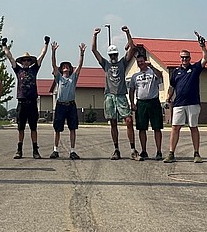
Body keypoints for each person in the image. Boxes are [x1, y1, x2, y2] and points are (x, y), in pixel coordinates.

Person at [91, 25, 138, 159]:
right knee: (113, 123)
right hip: (109, 96)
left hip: (121, 95)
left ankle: (133, 149)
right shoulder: (105, 64)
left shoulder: (122, 63)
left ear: (117, 55)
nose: (113, 56)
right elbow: (94, 50)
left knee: (128, 120)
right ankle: (116, 149)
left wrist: (128, 33)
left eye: (115, 54)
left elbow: (132, 48)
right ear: (109, 55)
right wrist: (95, 35)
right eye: (111, 54)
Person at [2, 35, 49, 159]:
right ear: (21, 62)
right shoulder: (18, 70)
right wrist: (4, 46)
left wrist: (46, 44)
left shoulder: (34, 69)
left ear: (30, 61)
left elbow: (42, 56)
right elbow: (10, 57)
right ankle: (19, 150)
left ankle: (35, 150)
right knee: (21, 128)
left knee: (34, 128)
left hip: (32, 102)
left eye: (28, 60)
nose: (26, 62)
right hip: (22, 102)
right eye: (24, 60)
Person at [165, 31, 207, 163]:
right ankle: (171, 153)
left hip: (193, 103)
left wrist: (202, 46)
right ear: (180, 59)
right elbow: (171, 87)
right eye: (182, 57)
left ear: (190, 58)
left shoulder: (195, 68)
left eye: (186, 57)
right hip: (179, 104)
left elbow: (205, 59)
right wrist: (168, 98)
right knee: (175, 128)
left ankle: (196, 153)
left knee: (193, 127)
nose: (184, 60)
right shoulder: (175, 72)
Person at [49, 41, 85, 159]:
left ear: (70, 69)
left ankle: (72, 151)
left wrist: (82, 54)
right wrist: (53, 52)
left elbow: (79, 66)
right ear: (61, 69)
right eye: (63, 66)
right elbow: (53, 65)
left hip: (71, 105)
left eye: (67, 66)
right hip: (60, 105)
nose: (65, 68)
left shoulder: (73, 78)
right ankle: (55, 150)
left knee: (73, 128)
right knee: (57, 128)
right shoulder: (58, 78)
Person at [127, 45, 164, 161]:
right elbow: (131, 90)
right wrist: (132, 103)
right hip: (141, 103)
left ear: (145, 61)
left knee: (157, 128)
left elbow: (160, 75)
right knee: (142, 128)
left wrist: (151, 66)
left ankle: (158, 151)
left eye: (142, 61)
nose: (140, 63)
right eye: (138, 62)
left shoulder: (152, 72)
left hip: (153, 102)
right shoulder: (135, 76)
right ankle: (144, 151)